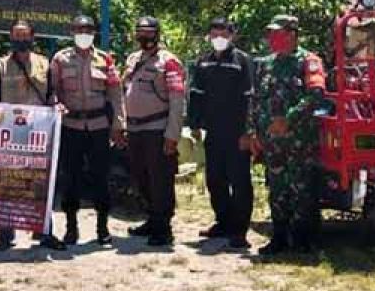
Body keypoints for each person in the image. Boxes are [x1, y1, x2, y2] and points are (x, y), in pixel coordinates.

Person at [0, 20, 65, 252]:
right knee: (7, 182)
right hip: (9, 134)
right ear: (10, 37)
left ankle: (44, 230)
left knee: (41, 182)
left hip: (38, 133)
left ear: (33, 37)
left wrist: (57, 107)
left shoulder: (44, 63)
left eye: (25, 36)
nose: (21, 40)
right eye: (16, 36)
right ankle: (5, 233)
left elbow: (51, 96)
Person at [252, 14, 327, 256]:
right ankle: (280, 237)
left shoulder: (309, 61)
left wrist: (289, 119)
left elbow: (316, 96)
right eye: (270, 34)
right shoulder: (266, 64)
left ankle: (304, 240)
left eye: (277, 33)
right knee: (277, 189)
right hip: (273, 142)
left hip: (300, 141)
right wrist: (253, 131)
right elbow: (255, 100)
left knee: (302, 190)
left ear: (292, 34)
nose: (272, 38)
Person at [50, 14, 125, 246]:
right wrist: (55, 103)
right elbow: (52, 90)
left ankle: (102, 227)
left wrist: (119, 124)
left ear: (94, 33)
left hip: (98, 127)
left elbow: (115, 93)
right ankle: (71, 228)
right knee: (70, 178)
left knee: (100, 177)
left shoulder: (106, 60)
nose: (83, 33)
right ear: (72, 32)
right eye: (79, 29)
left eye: (88, 29)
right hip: (71, 126)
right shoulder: (60, 59)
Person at [187, 18, 255, 251]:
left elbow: (250, 98)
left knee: (240, 181)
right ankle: (223, 222)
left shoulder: (242, 61)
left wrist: (248, 131)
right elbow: (196, 93)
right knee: (215, 179)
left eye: (223, 32)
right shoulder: (203, 62)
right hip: (213, 131)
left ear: (232, 35)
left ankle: (239, 231)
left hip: (237, 132)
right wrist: (194, 122)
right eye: (214, 32)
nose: (218, 37)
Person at [123, 16, 187, 247]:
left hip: (157, 129)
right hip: (135, 129)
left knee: (160, 179)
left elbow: (178, 101)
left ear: (158, 34)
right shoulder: (132, 59)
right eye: (140, 31)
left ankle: (163, 228)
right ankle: (152, 219)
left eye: (149, 32)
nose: (144, 36)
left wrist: (172, 135)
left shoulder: (169, 62)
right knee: (141, 177)